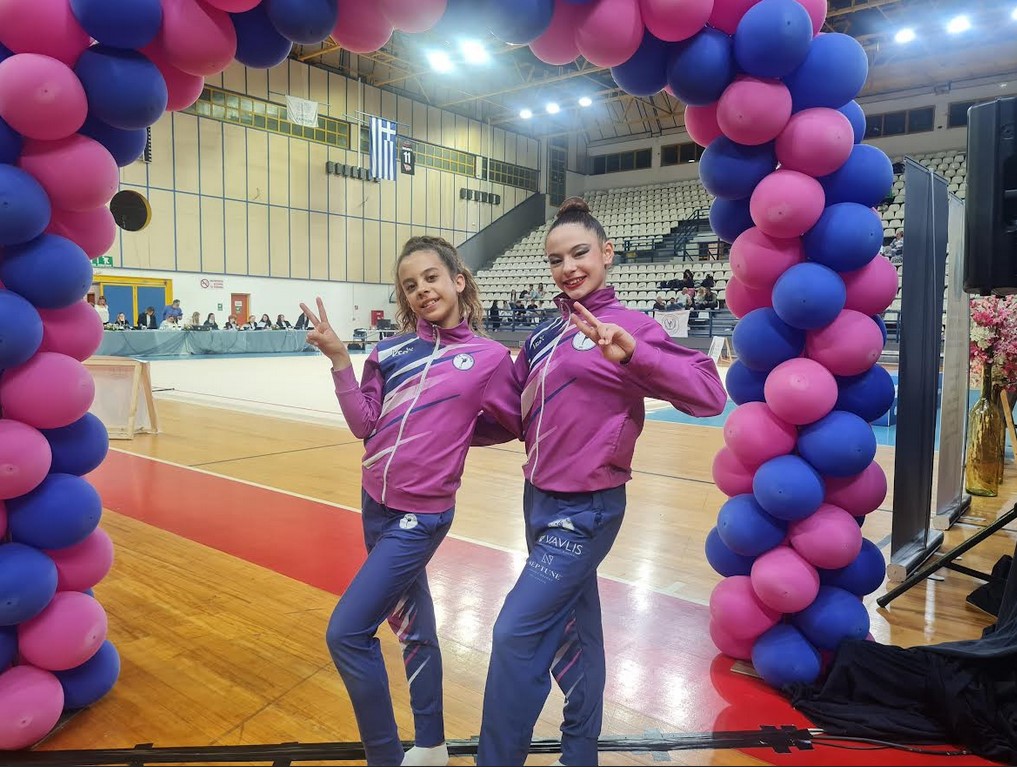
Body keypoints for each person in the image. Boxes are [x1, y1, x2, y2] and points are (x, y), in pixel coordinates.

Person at [476, 199, 727, 767]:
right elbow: (510, 418)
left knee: (516, 633)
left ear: (607, 253)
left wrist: (633, 354)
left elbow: (709, 394)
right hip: (537, 501)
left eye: (580, 253)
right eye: (556, 259)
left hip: (586, 510)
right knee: (579, 631)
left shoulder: (632, 326)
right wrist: (442, 428)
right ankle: (579, 754)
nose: (568, 267)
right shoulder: (543, 336)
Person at [303, 236, 520, 767]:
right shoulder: (389, 353)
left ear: (458, 281)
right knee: (414, 628)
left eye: (431, 277)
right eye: (410, 285)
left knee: (347, 633)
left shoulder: (490, 358)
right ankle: (430, 743)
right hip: (374, 504)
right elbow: (364, 424)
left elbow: (513, 422)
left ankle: (384, 758)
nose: (422, 290)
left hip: (421, 515)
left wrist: (456, 438)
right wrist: (340, 361)